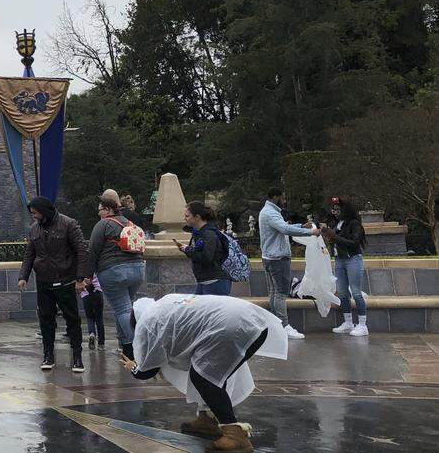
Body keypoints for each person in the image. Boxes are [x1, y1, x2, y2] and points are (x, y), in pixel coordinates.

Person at [120, 294, 288, 453]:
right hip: (250, 320)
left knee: (204, 377)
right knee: (206, 371)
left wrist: (133, 366)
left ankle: (234, 436)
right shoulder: (166, 303)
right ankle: (207, 419)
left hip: (232, 326)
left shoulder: (148, 322)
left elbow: (148, 369)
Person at [17, 196, 89, 373]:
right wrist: (23, 276)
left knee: (72, 319)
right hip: (43, 280)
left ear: (44, 210)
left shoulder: (68, 224)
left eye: (35, 212)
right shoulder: (34, 229)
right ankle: (48, 355)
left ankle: (77, 357)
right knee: (46, 319)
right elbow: (30, 254)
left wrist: (80, 278)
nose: (33, 215)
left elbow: (81, 250)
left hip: (65, 278)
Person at [88, 190, 145, 360]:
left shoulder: (103, 225)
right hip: (137, 269)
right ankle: (125, 347)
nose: (99, 213)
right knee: (126, 308)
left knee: (122, 309)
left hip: (113, 271)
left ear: (107, 209)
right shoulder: (128, 222)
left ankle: (137, 348)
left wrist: (86, 275)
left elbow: (93, 251)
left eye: (100, 210)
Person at [257, 188, 320, 340]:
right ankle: (284, 326)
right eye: (282, 198)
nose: (284, 201)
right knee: (280, 293)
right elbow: (284, 229)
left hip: (270, 257)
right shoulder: (270, 213)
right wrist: (311, 232)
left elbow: (282, 225)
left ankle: (275, 324)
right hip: (277, 258)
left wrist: (300, 226)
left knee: (274, 292)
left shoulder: (269, 211)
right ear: (275, 197)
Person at [325, 198, 369, 336]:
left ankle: (362, 325)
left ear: (345, 210)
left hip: (353, 259)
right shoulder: (337, 224)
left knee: (356, 292)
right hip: (339, 260)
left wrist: (334, 237)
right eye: (334, 209)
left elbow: (355, 243)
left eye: (338, 210)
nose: (335, 212)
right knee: (342, 292)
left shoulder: (354, 224)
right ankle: (348, 322)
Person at [178, 201, 232, 296]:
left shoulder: (208, 234)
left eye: (187, 216)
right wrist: (187, 249)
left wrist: (188, 250)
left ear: (197, 217)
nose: (184, 219)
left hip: (215, 281)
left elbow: (206, 258)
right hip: (205, 280)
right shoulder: (199, 233)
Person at [80, 274, 105, 351]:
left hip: (85, 295)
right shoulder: (96, 267)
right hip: (98, 293)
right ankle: (101, 344)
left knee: (90, 318)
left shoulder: (82, 269)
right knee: (99, 319)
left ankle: (91, 334)